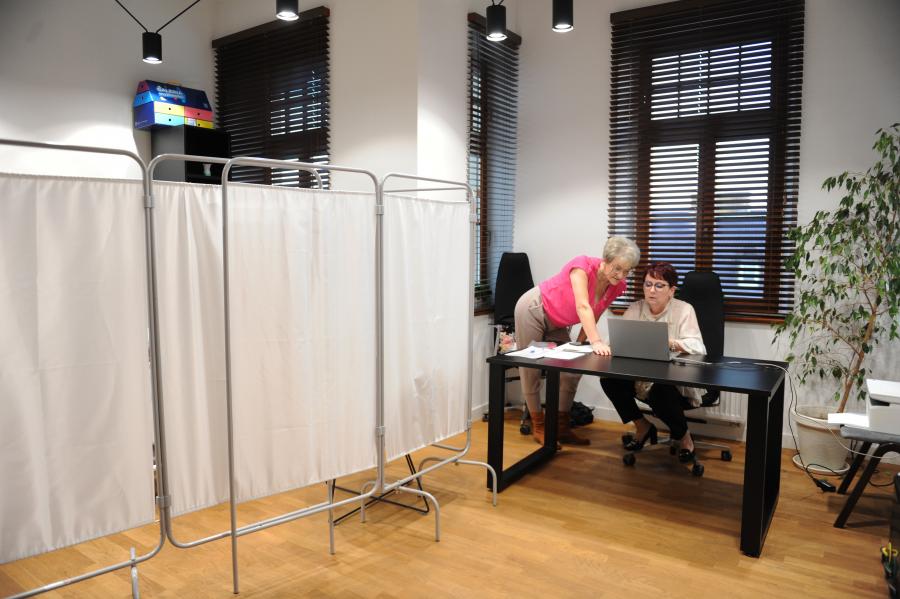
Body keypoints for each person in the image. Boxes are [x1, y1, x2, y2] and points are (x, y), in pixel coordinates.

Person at [514, 236, 640, 446]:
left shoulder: (617, 286)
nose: (621, 275)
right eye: (617, 268)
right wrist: (596, 341)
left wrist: (580, 344)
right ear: (606, 259)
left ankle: (562, 427)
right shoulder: (582, 267)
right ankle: (538, 424)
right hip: (534, 309)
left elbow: (596, 312)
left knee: (572, 370)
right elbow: (583, 306)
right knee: (530, 367)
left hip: (557, 322)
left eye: (627, 271)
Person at [600, 262, 706, 462]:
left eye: (659, 285)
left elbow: (699, 347)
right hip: (640, 376)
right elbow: (616, 340)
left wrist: (671, 343)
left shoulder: (684, 310)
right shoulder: (636, 308)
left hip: (673, 380)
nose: (652, 290)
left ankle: (685, 438)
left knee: (660, 390)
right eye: (648, 284)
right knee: (609, 380)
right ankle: (642, 426)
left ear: (671, 290)